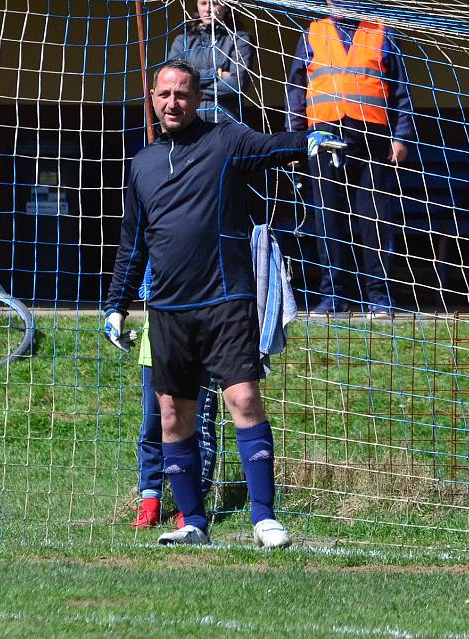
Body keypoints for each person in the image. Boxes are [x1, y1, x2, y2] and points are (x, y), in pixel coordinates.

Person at [103, 59, 344, 547]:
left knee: (244, 400)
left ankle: (264, 518)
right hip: (168, 310)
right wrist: (116, 304)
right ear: (152, 99)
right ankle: (192, 521)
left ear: (198, 99)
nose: (174, 102)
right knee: (173, 416)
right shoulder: (142, 163)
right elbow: (133, 242)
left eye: (184, 94)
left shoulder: (225, 141)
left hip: (226, 301)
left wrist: (309, 141)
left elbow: (267, 146)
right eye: (165, 94)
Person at [286, 2, 415, 315]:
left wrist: (401, 138)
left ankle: (379, 296)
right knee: (327, 217)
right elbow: (295, 90)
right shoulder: (312, 33)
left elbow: (401, 91)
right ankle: (333, 295)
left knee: (375, 219)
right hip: (322, 138)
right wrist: (293, 140)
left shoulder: (382, 32)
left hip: (371, 140)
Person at [131, 266, 218, 530]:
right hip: (157, 349)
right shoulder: (159, 241)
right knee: (152, 427)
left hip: (203, 349)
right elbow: (145, 289)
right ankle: (150, 503)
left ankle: (190, 507)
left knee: (199, 428)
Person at [168, 0, 254, 123]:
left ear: (227, 6)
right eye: (203, 3)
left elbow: (236, 84)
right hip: (188, 120)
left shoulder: (240, 39)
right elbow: (174, 80)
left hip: (225, 119)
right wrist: (217, 74)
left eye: (215, 3)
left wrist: (190, 88)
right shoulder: (183, 40)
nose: (208, 9)